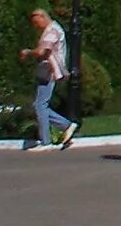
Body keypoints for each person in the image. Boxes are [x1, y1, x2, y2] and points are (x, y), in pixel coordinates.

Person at [18, 9, 78, 151]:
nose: (36, 26)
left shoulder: (52, 31)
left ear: (43, 17)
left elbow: (42, 51)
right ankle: (66, 125)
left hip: (50, 71)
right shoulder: (52, 29)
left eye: (36, 22)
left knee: (40, 105)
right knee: (40, 105)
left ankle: (46, 141)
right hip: (46, 70)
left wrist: (28, 52)